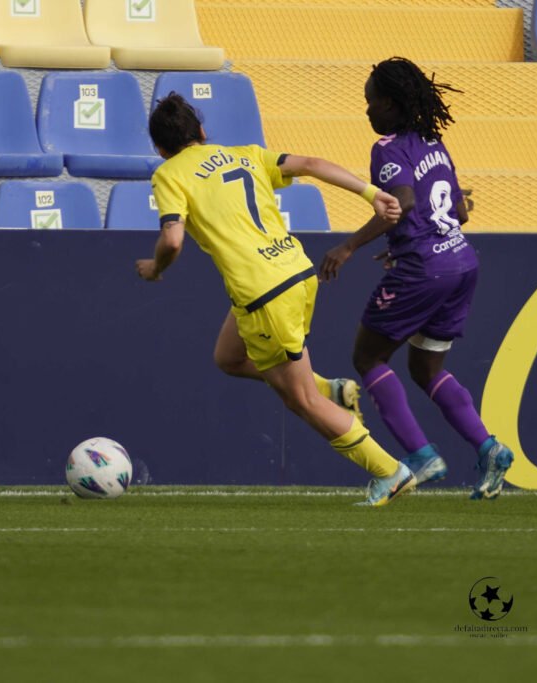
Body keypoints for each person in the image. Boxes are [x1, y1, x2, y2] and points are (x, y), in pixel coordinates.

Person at [136, 92, 416, 507]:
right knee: (228, 358)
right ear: (202, 132)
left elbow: (173, 239)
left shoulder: (169, 175)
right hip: (296, 273)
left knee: (300, 399)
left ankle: (390, 471)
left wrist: (156, 268)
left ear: (160, 149)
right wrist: (370, 192)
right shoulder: (245, 154)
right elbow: (312, 165)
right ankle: (332, 388)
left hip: (263, 293)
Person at [319, 57, 514, 500]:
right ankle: (489, 447)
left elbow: (403, 201)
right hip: (461, 262)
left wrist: (348, 246)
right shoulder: (433, 140)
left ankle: (421, 455)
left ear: (389, 103)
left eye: (371, 102)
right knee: (426, 368)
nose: (366, 110)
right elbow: (459, 211)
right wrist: (409, 240)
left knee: (368, 358)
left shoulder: (388, 149)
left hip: (425, 268)